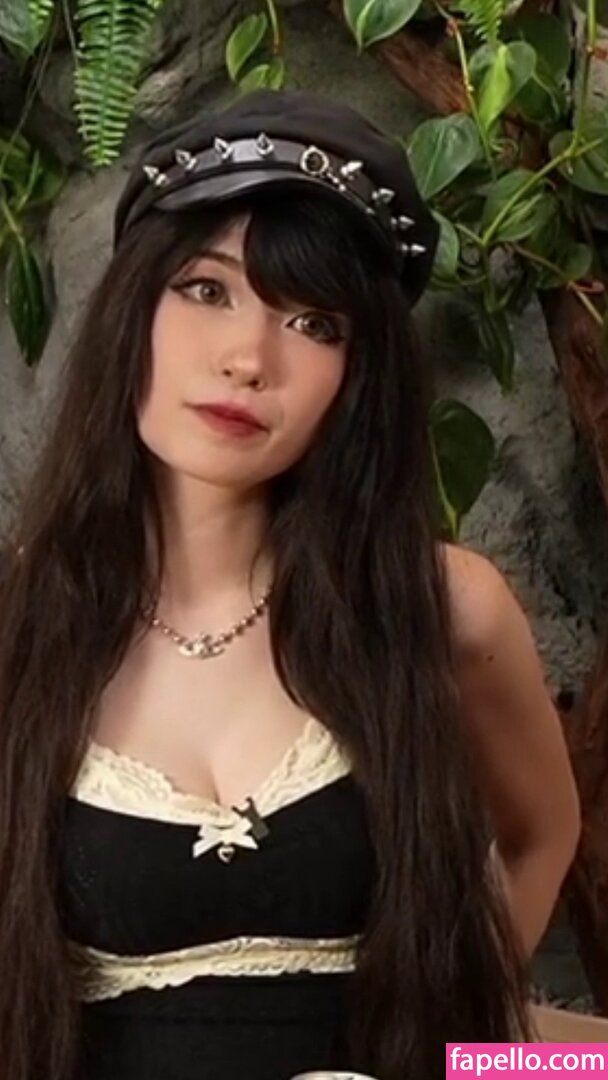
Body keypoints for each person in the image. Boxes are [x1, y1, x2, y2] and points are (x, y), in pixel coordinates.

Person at [0, 90, 580, 1080]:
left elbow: (540, 833)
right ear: (133, 306)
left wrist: (460, 1042)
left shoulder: (440, 605)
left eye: (313, 322)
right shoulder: (21, 623)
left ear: (356, 376)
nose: (246, 360)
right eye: (207, 289)